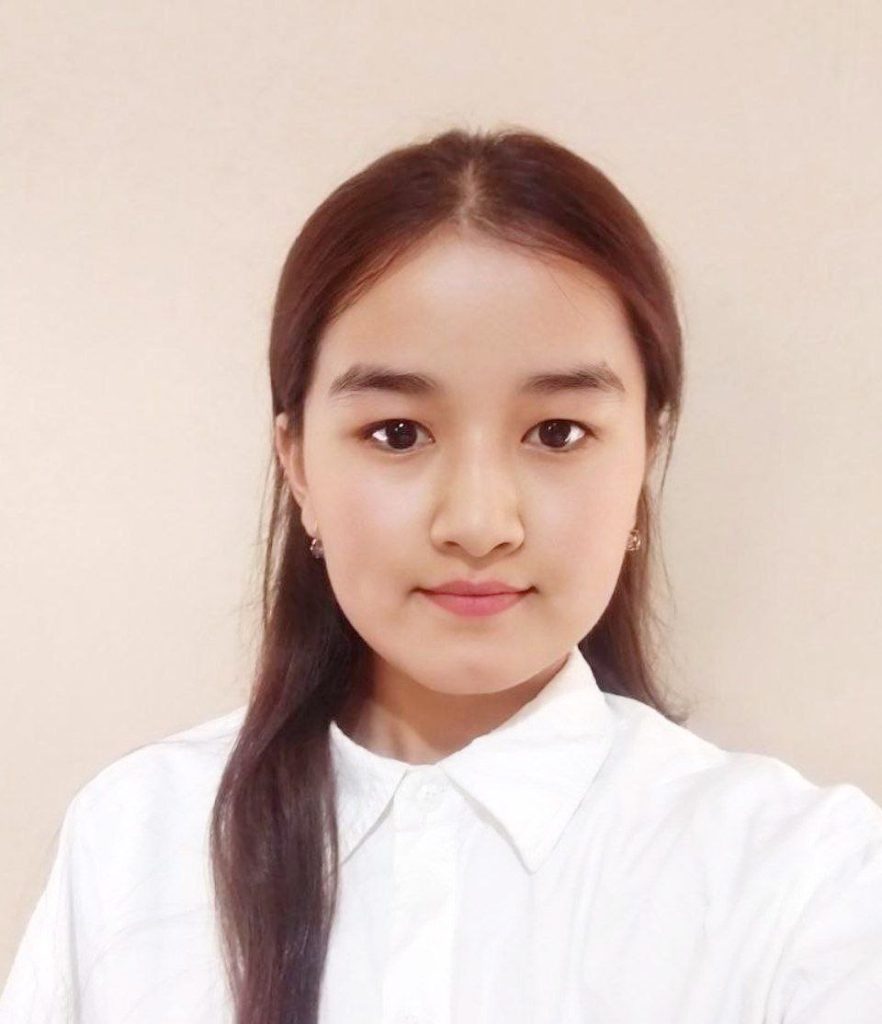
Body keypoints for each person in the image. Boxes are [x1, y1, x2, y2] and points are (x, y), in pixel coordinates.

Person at [2, 126, 881, 1024]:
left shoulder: (802, 881)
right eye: (397, 433)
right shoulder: (139, 840)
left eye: (558, 434)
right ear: (297, 461)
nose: (477, 524)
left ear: (645, 456)